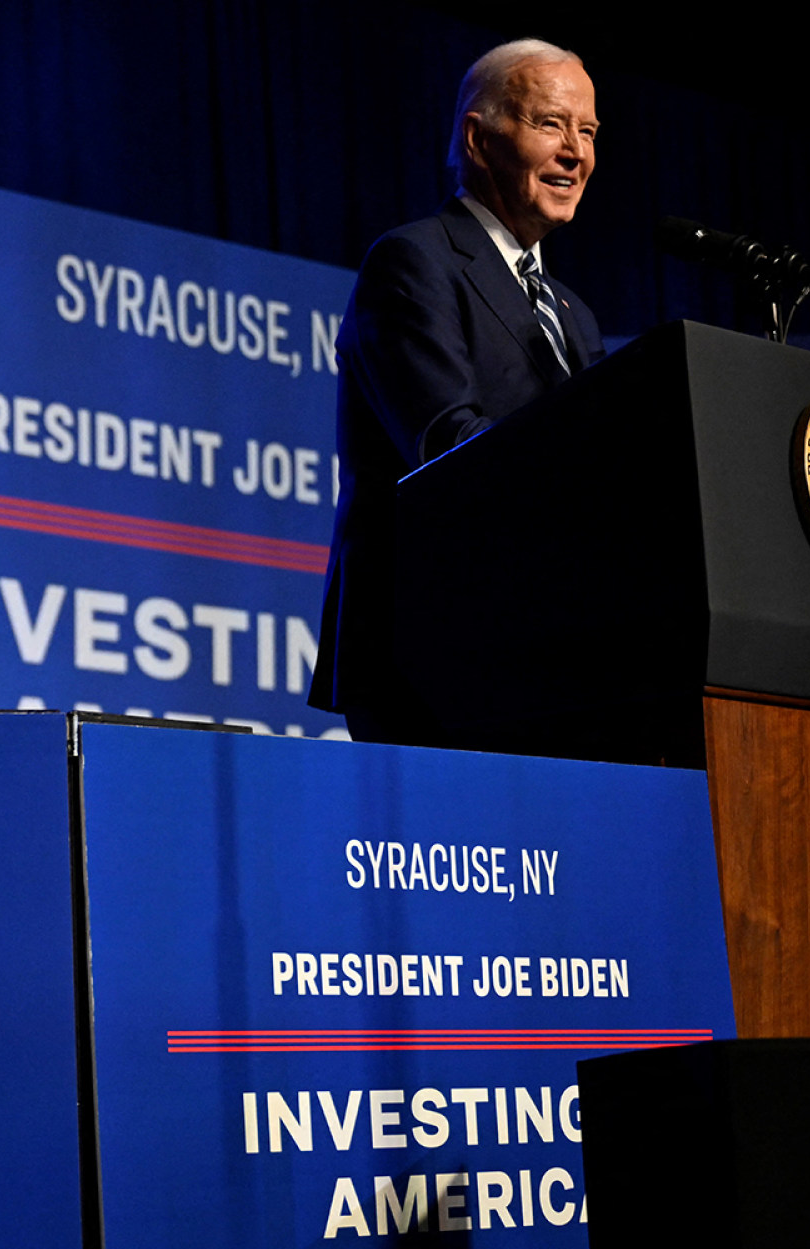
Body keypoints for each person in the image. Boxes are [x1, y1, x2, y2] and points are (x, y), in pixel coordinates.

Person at [309, 38, 605, 743]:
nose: (576, 152)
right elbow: (450, 451)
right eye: (550, 124)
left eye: (588, 132)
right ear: (478, 138)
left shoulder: (573, 313)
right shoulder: (414, 262)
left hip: (558, 653)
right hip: (433, 653)